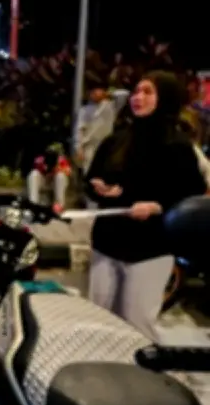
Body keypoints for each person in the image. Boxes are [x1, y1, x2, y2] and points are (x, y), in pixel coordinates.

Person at [86, 71, 206, 341]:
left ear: (166, 98)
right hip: (107, 244)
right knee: (99, 320)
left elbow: (191, 194)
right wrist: (98, 187)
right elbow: (90, 179)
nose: (137, 98)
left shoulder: (178, 146)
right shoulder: (116, 140)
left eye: (148, 92)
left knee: (137, 324)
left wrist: (156, 207)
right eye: (136, 91)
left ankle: (139, 367)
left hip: (150, 249)